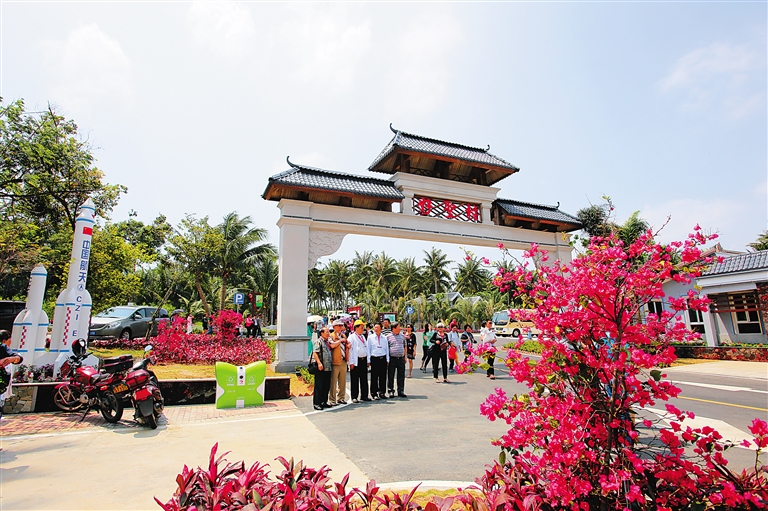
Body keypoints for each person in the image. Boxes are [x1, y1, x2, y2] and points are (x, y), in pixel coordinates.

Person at [0, 330, 22, 419]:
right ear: (4, 340)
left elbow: (19, 358)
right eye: (10, 340)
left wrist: (12, 359)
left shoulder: (3, 348)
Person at [348, 320, 371, 403]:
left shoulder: (363, 337)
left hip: (363, 360)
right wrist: (351, 362)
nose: (363, 329)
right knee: (355, 379)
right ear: (356, 328)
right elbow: (350, 351)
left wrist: (368, 360)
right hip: (356, 361)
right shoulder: (351, 337)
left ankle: (364, 395)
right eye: (361, 327)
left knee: (364, 379)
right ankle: (354, 396)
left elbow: (366, 348)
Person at [328, 319, 349, 406]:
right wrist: (340, 341)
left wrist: (348, 345)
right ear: (334, 327)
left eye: (341, 325)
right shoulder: (331, 336)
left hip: (343, 360)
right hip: (335, 361)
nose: (341, 327)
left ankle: (341, 397)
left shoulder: (343, 335)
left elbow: (347, 344)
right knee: (333, 381)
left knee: (342, 381)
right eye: (339, 326)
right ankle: (332, 399)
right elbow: (332, 345)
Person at [312, 327, 333, 410]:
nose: (328, 333)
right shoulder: (318, 341)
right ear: (321, 333)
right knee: (319, 386)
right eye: (326, 332)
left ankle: (324, 401)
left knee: (326, 385)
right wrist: (319, 363)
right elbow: (315, 353)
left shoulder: (327, 342)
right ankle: (317, 403)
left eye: (328, 332)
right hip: (321, 367)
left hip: (328, 368)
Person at [367, 322, 389, 400]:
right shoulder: (370, 337)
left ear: (381, 329)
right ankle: (374, 393)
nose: (375, 329)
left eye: (377, 327)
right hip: (374, 358)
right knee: (374, 377)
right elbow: (368, 349)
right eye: (375, 327)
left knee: (383, 376)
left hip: (382, 358)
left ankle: (382, 392)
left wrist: (387, 359)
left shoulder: (384, 337)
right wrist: (368, 360)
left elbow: (387, 349)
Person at [386, 322, 407, 398]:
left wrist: (405, 356)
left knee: (401, 375)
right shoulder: (388, 337)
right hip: (392, 359)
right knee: (391, 375)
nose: (400, 328)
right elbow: (387, 348)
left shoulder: (402, 336)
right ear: (393, 328)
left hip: (401, 358)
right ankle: (391, 390)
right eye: (398, 327)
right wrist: (387, 359)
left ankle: (401, 390)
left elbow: (405, 346)